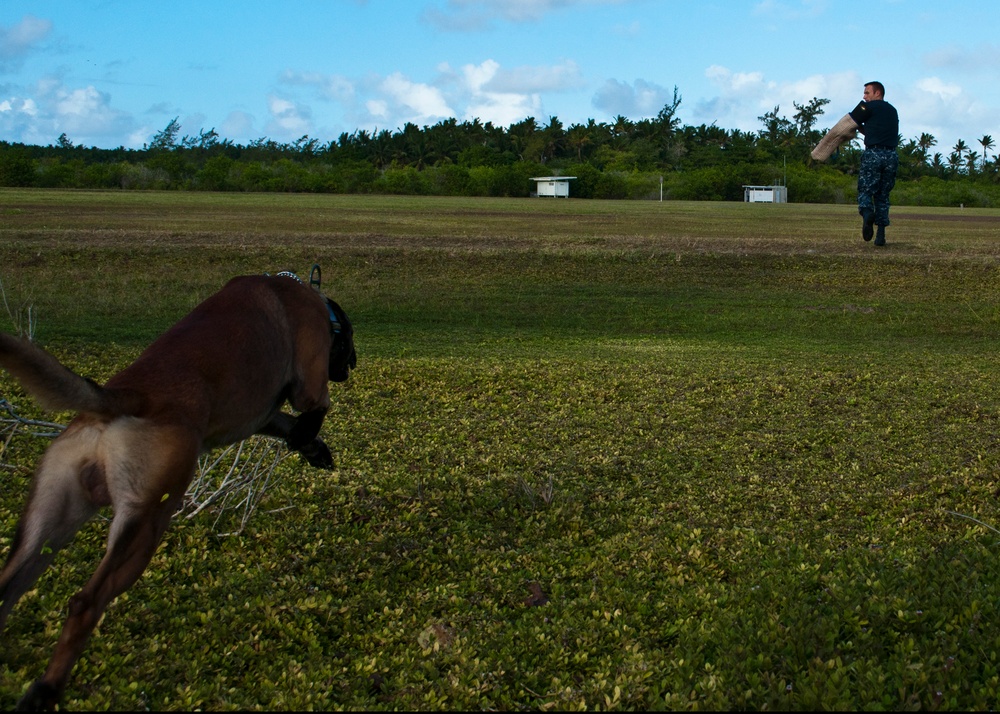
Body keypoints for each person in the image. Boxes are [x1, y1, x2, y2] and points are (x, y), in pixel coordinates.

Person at [850, 81, 899, 246]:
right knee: (883, 195)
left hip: (873, 153)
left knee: (865, 190)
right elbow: (877, 131)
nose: (864, 96)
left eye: (867, 93)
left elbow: (851, 120)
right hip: (891, 155)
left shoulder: (867, 107)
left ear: (877, 93)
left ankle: (867, 213)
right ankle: (880, 236)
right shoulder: (892, 110)